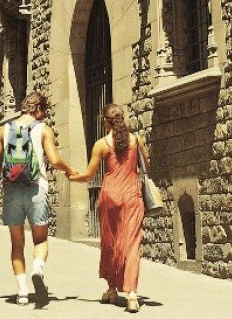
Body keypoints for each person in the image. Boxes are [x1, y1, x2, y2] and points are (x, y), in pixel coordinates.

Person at [0, 91, 77, 307]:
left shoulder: (4, 129)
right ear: (38, 109)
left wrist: (7, 175)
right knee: (40, 239)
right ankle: (37, 269)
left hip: (12, 191)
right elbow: (55, 160)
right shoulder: (43, 129)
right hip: (37, 188)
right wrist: (69, 170)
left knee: (17, 243)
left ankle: (21, 292)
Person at [68, 103, 149, 313]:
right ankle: (132, 295)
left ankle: (112, 290)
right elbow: (146, 166)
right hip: (132, 195)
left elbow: (88, 175)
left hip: (109, 195)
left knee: (110, 242)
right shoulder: (136, 140)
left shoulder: (102, 144)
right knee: (132, 245)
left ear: (105, 122)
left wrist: (71, 176)